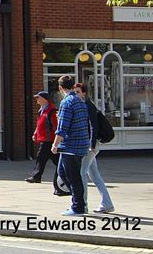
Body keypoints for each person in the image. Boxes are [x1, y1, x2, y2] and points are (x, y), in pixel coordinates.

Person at [52, 74, 90, 216]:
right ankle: (79, 203)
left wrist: (55, 145)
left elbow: (62, 127)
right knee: (65, 173)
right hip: (81, 144)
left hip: (70, 145)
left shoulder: (66, 103)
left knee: (72, 177)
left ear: (60, 87)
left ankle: (78, 206)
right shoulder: (80, 100)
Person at [75, 83, 115, 213]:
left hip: (90, 144)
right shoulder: (84, 106)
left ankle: (83, 205)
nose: (75, 94)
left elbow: (94, 126)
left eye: (77, 92)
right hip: (91, 143)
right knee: (94, 174)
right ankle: (107, 203)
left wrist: (91, 144)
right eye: (74, 92)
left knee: (81, 172)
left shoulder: (88, 106)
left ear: (84, 93)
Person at [26, 91, 61, 187]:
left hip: (49, 139)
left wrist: (57, 138)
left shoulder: (51, 110)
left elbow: (55, 125)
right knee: (55, 159)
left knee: (41, 157)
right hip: (44, 138)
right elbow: (39, 124)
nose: (37, 99)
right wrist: (35, 133)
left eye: (38, 97)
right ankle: (64, 172)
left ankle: (36, 176)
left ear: (45, 99)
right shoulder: (41, 110)